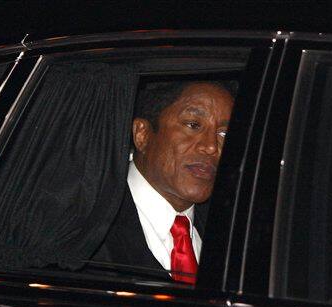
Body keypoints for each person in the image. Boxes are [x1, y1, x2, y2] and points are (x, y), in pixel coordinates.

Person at [92, 81, 235, 284]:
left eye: (223, 133)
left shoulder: (235, 228)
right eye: (193, 125)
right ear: (142, 134)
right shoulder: (86, 227)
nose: (211, 146)